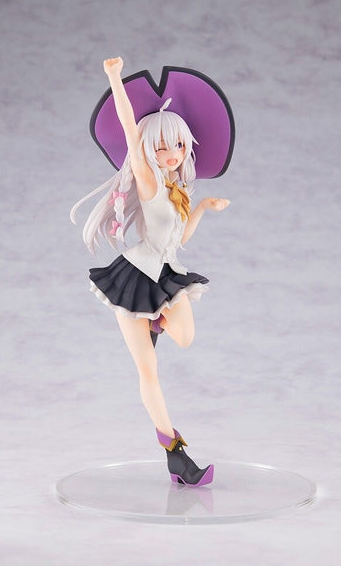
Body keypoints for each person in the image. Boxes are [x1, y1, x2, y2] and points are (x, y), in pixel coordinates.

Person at [71, 57, 233, 486]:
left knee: (185, 336)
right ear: (147, 150)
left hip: (166, 273)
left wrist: (202, 207)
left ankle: (157, 320)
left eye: (177, 145)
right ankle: (176, 455)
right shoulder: (148, 181)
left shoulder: (178, 189)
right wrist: (113, 78)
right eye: (161, 147)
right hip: (134, 279)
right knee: (148, 371)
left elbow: (178, 240)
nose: (171, 154)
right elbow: (129, 128)